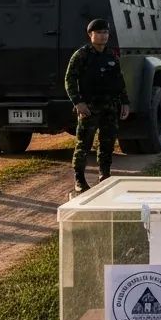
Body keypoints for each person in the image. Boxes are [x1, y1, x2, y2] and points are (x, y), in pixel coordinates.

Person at [65, 18, 129, 192]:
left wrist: (125, 102)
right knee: (83, 144)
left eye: (105, 33)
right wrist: (78, 102)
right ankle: (79, 179)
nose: (103, 36)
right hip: (89, 107)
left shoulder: (112, 55)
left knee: (107, 142)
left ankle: (105, 175)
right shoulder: (82, 55)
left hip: (110, 106)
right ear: (90, 34)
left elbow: (119, 79)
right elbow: (69, 79)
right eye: (99, 33)